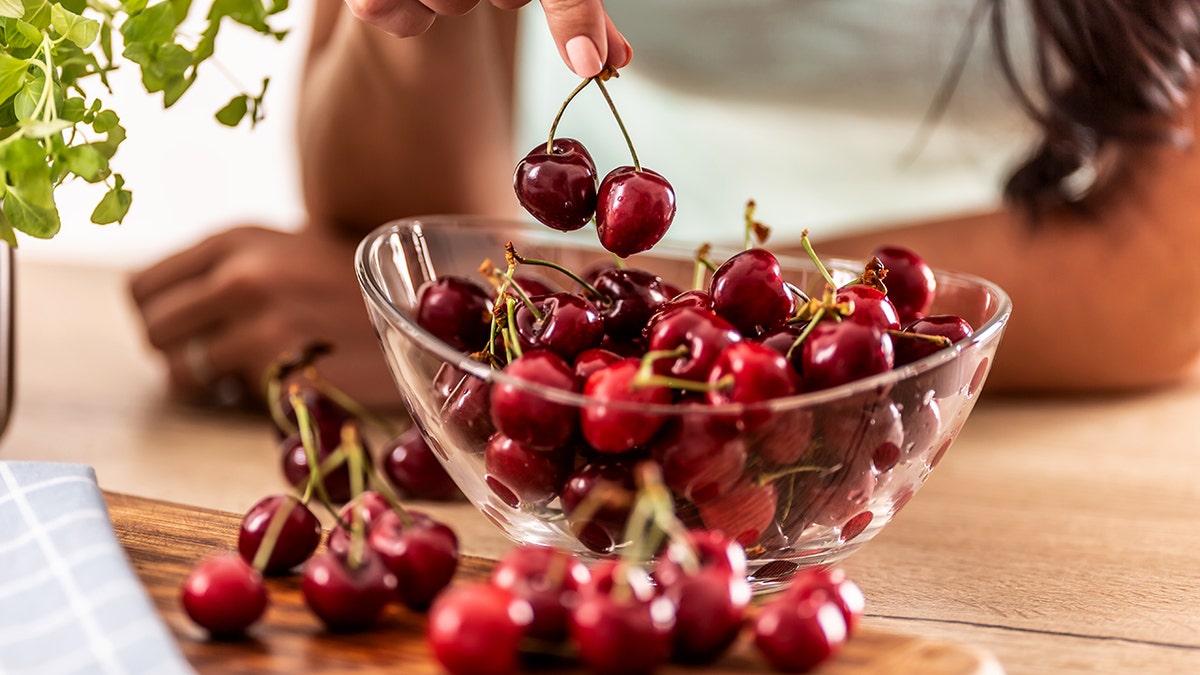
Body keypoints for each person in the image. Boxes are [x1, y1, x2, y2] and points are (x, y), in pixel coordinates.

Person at [129, 0, 1200, 412]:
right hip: (570, 273)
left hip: (990, 404)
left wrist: (597, 327)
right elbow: (389, 207)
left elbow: (1162, 279)